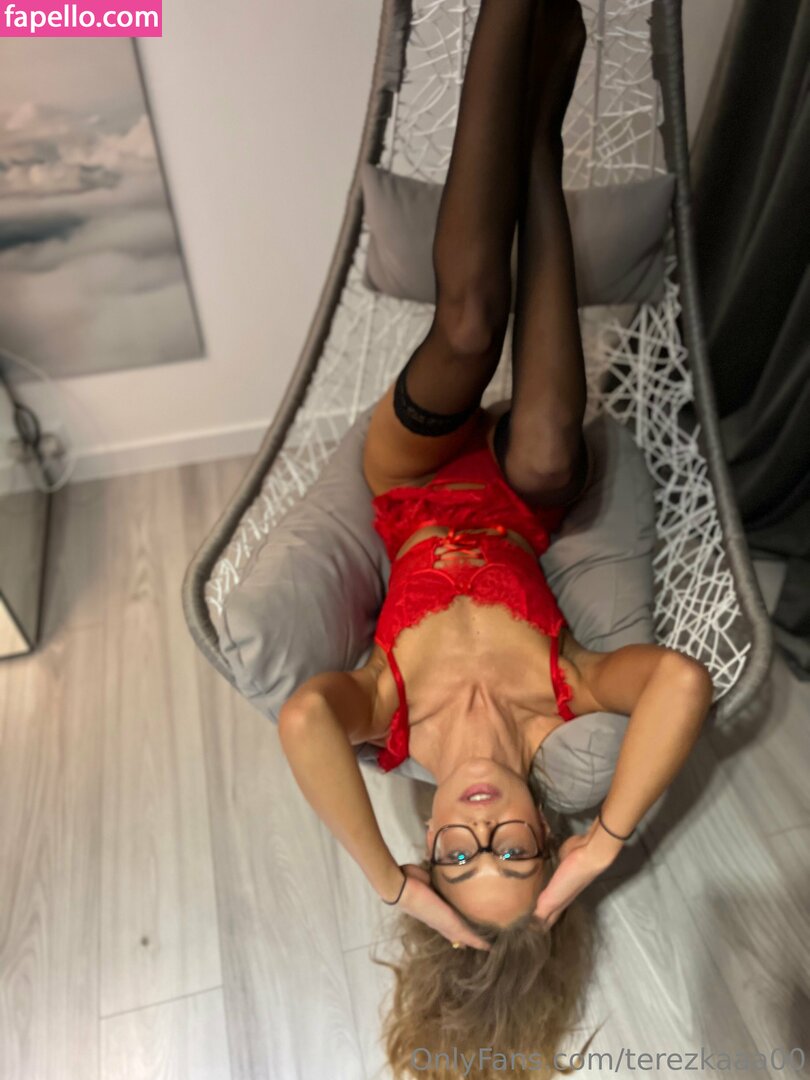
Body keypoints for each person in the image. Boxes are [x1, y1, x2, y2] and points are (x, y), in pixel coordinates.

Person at [279, 0, 713, 1070]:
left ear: (430, 848)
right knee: (553, 446)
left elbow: (301, 718)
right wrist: (603, 845)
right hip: (521, 489)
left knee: (471, 322)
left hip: (415, 475)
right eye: (514, 852)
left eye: (457, 857)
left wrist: (388, 884)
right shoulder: (565, 697)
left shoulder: (391, 722)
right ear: (543, 838)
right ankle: (538, 139)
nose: (480, 827)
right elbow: (682, 684)